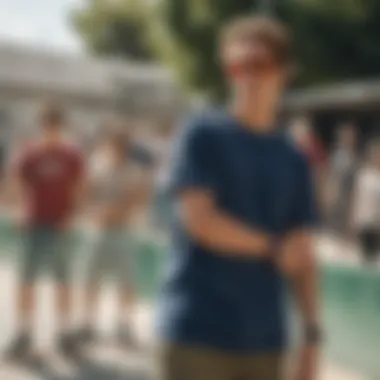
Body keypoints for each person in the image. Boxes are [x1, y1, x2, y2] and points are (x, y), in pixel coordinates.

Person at [157, 16, 321, 380]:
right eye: (235, 67)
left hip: (265, 342)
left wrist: (311, 336)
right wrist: (273, 248)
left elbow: (304, 253)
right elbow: (201, 223)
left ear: (284, 72)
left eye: (257, 65)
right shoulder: (202, 134)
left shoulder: (294, 159)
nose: (245, 77)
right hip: (196, 334)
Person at [6, 103, 85, 362]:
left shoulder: (71, 155)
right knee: (26, 280)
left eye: (56, 125)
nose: (51, 130)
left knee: (63, 280)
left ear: (62, 128)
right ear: (41, 127)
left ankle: (63, 333)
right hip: (34, 222)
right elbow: (14, 181)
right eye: (47, 125)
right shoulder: (30, 154)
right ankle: (23, 333)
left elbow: (80, 188)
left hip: (60, 224)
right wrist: (17, 209)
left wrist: (73, 216)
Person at [78, 126, 147, 348]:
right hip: (98, 230)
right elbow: (85, 194)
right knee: (91, 279)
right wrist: (97, 211)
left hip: (123, 232)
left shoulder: (134, 171)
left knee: (126, 281)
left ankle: (123, 324)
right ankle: (88, 323)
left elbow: (136, 200)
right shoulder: (97, 167)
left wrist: (110, 212)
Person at [351, 140, 380, 263]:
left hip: (377, 222)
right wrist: (353, 218)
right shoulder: (364, 176)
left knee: (374, 255)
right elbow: (357, 198)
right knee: (364, 255)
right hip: (364, 220)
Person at [329, 123, 358, 237]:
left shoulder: (353, 155)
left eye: (351, 136)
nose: (350, 139)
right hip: (339, 194)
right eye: (347, 136)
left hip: (350, 195)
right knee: (337, 228)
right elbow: (334, 176)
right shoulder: (338, 155)